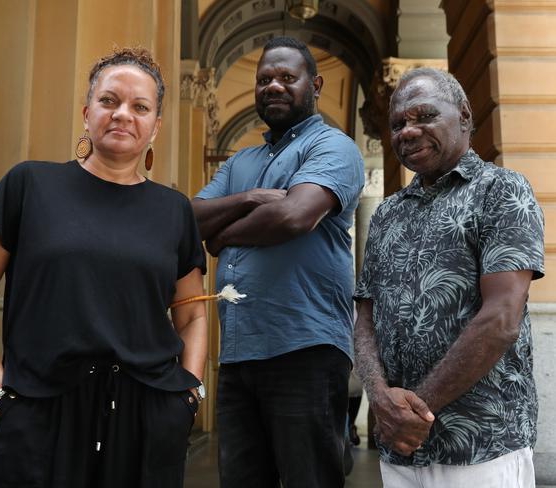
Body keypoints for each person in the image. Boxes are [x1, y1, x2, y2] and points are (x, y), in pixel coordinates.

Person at [0, 47, 208, 488]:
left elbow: (192, 313)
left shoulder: (174, 210)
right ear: (87, 112)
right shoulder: (29, 185)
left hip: (146, 416)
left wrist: (190, 393)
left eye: (140, 106)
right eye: (109, 101)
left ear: (156, 127)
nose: (123, 114)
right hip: (38, 409)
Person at [354, 67, 544, 488]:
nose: (408, 131)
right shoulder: (386, 214)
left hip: (480, 445)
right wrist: (381, 400)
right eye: (398, 123)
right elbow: (364, 319)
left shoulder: (502, 191)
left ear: (463, 115)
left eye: (423, 116)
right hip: (401, 450)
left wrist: (415, 412)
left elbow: (501, 319)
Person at [192, 36, 364, 488]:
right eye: (265, 78)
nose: (274, 86)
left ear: (315, 84)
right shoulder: (240, 162)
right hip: (238, 355)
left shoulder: (334, 147)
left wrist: (224, 235)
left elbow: (294, 215)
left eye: (288, 77)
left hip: (304, 349)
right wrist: (251, 198)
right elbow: (189, 218)